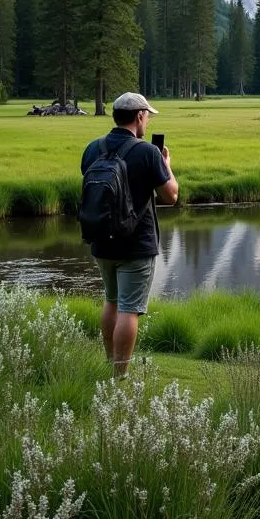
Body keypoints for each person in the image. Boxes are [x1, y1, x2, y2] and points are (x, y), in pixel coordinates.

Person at [80, 92, 179, 376]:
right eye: (146, 115)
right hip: (136, 244)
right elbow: (171, 195)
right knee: (129, 309)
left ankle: (110, 363)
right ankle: (120, 374)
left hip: (101, 239)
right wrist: (167, 167)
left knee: (111, 301)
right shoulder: (147, 152)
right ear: (138, 117)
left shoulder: (92, 148)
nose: (147, 120)